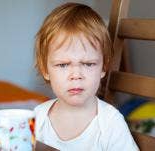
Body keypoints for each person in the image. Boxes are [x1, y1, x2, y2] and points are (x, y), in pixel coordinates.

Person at [34, 2, 138, 151]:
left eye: (88, 64)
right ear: (45, 69)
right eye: (63, 65)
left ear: (103, 67)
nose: (76, 75)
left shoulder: (110, 123)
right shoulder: (38, 117)